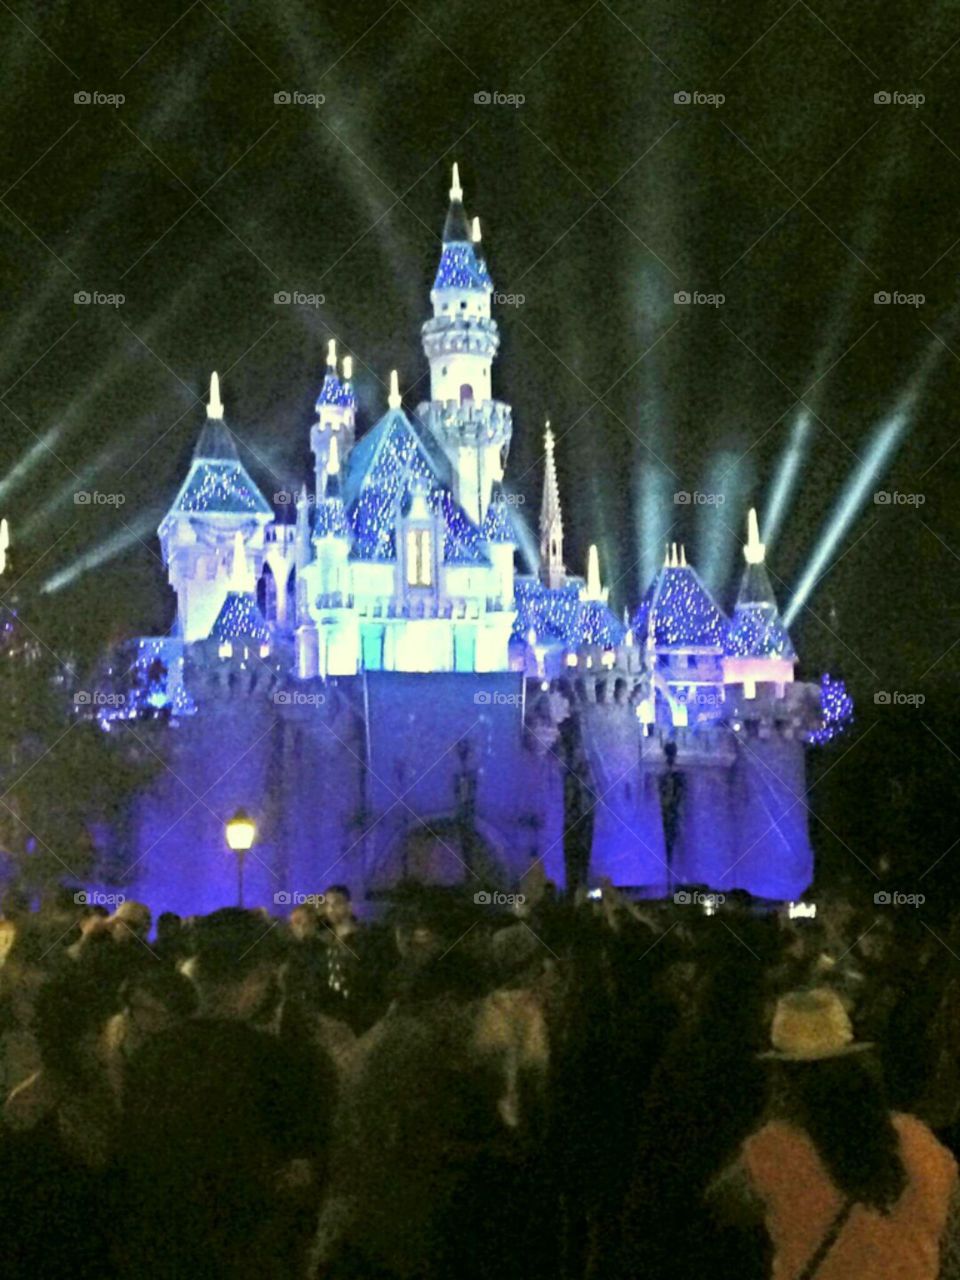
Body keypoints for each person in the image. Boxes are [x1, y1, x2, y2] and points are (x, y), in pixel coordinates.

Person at [118, 907, 336, 1279]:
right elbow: (306, 1175)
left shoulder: (152, 1054)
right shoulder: (288, 1063)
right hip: (249, 1255)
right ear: (263, 975)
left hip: (160, 1253)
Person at [710, 987, 960, 1280]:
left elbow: (722, 1204)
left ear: (785, 1081)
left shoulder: (776, 1147)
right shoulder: (919, 1139)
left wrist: (770, 1113)